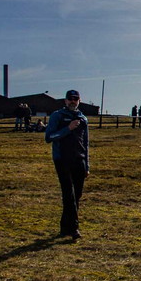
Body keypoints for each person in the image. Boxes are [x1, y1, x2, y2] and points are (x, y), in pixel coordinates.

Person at [45, 90, 90, 240]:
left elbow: (86, 143)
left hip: (79, 160)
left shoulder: (83, 118)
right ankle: (74, 229)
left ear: (79, 100)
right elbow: (49, 137)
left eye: (75, 99)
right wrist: (68, 129)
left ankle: (65, 228)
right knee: (68, 195)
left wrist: (87, 165)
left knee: (76, 196)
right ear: (65, 101)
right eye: (70, 99)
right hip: (62, 159)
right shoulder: (57, 116)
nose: (72, 101)